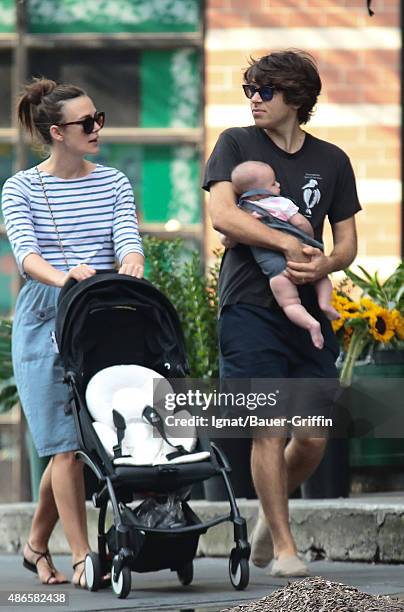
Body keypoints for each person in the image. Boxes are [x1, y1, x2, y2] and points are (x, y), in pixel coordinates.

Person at [203, 50, 361, 577]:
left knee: (313, 435)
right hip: (249, 305)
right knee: (266, 426)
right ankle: (287, 551)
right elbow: (223, 214)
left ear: (296, 97)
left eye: (264, 91)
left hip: (309, 310)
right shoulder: (235, 144)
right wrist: (284, 244)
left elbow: (348, 247)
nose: (253, 99)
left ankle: (270, 528)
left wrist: (322, 263)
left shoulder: (333, 160)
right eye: (250, 88)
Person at [1, 78, 144, 587]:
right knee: (63, 445)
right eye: (88, 123)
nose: (97, 128)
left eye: (99, 117)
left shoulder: (113, 182)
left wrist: (131, 263)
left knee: (86, 439)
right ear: (58, 132)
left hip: (102, 313)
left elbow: (127, 237)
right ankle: (84, 555)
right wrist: (66, 278)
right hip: (45, 316)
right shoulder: (19, 188)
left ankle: (35, 544)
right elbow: (26, 256)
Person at [225, 160, 340, 349]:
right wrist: (307, 237)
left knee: (290, 303)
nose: (278, 185)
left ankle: (311, 325)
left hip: (276, 270)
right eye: (273, 183)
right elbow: (302, 225)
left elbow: (228, 240)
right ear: (261, 191)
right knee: (321, 277)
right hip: (303, 258)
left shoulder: (241, 213)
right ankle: (325, 304)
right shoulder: (281, 203)